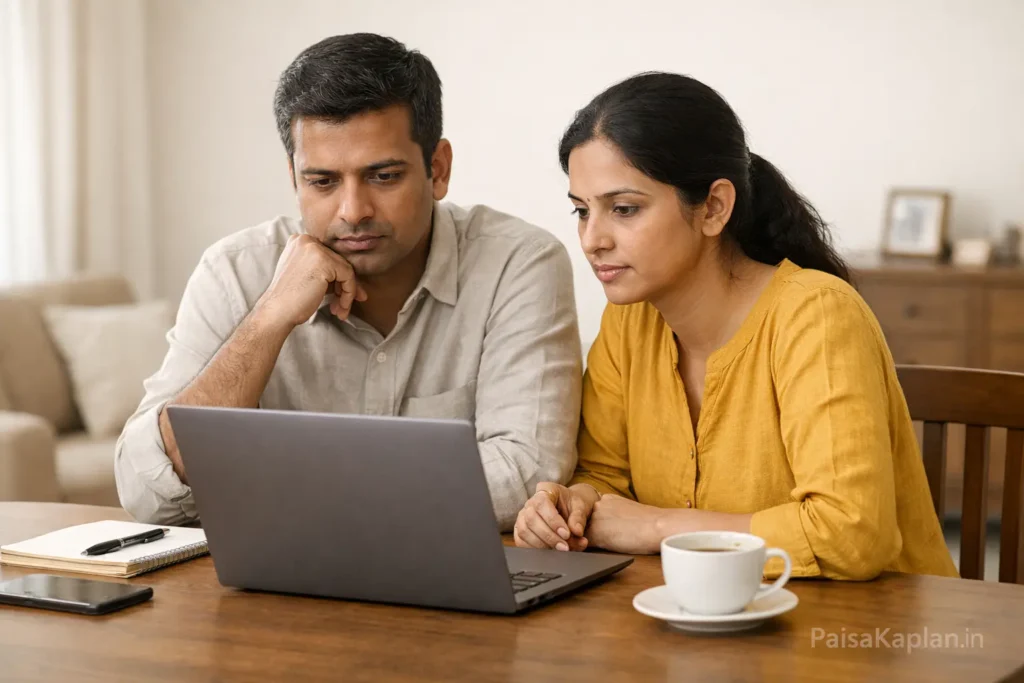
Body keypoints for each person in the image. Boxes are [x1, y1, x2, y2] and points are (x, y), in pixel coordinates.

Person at [115, 33, 582, 528]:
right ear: (294, 178)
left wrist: (277, 484)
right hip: (269, 587)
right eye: (322, 182)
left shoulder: (519, 263)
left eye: (383, 176)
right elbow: (147, 491)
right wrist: (269, 318)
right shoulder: (234, 270)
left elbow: (526, 476)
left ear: (438, 169)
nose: (353, 211)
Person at [514, 72, 958, 581]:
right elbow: (602, 475)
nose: (592, 240)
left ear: (714, 207)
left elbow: (850, 534)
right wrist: (569, 507)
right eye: (581, 211)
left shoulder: (817, 315)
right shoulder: (629, 319)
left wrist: (660, 526)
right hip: (706, 623)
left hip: (876, 636)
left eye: (624, 209)